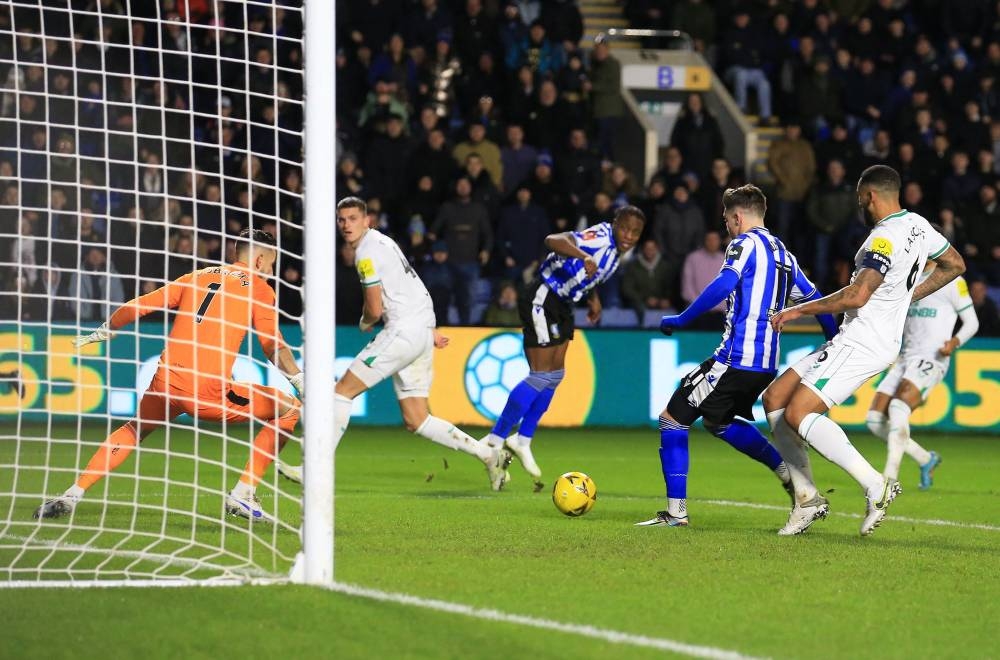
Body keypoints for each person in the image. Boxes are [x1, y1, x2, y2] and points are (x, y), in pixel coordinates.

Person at [35, 230, 304, 522]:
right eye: (272, 264)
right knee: (289, 409)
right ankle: (243, 493)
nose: (271, 271)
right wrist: (300, 380)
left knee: (133, 430)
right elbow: (271, 344)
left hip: (166, 382)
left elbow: (138, 305)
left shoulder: (197, 276)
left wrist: (106, 329)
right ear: (261, 259)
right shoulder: (260, 288)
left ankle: (72, 494)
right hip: (206, 390)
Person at [765, 165, 966, 537]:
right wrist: (910, 296)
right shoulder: (919, 226)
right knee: (774, 398)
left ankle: (876, 485)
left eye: (859, 197)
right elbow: (955, 264)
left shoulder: (883, 239)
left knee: (799, 412)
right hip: (867, 337)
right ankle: (807, 497)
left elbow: (857, 295)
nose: (858, 203)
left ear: (869, 196)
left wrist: (798, 310)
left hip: (863, 339)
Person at [636, 184, 838, 528]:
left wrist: (682, 318)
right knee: (719, 422)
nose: (726, 227)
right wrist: (832, 339)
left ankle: (676, 514)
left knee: (672, 419)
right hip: (764, 366)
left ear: (738, 217)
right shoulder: (783, 253)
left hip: (734, 358)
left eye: (727, 220)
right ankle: (788, 474)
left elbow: (724, 283)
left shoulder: (743, 244)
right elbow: (817, 298)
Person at [278, 198, 511, 490]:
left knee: (341, 393)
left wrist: (365, 321)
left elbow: (374, 310)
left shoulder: (365, 254)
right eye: (342, 220)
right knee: (417, 419)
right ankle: (488, 454)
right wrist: (429, 328)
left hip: (402, 331)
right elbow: (414, 285)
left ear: (367, 220)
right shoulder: (385, 242)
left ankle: (313, 470)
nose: (347, 225)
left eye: (353, 218)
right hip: (420, 329)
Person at [481, 206, 646, 489]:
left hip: (563, 304)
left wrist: (593, 298)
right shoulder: (601, 237)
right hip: (543, 296)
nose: (628, 236)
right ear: (614, 223)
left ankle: (522, 440)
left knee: (555, 376)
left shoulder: (617, 253)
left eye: (635, 233)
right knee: (541, 375)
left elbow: (588, 275)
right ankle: (494, 442)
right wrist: (582, 255)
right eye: (625, 228)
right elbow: (552, 240)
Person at [867, 272, 978, 490]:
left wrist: (954, 342)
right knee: (874, 420)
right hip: (905, 357)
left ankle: (889, 479)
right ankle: (926, 459)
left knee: (899, 407)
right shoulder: (907, 277)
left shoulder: (952, 280)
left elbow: (971, 322)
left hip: (932, 357)